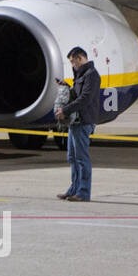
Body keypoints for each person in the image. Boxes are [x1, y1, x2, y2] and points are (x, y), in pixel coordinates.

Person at [55, 46, 101, 202]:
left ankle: (83, 192)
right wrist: (66, 87)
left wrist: (65, 111)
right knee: (72, 157)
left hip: (84, 121)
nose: (73, 66)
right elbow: (77, 95)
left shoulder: (91, 76)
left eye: (73, 62)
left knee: (81, 158)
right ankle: (74, 189)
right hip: (76, 121)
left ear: (80, 58)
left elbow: (85, 98)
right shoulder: (81, 75)